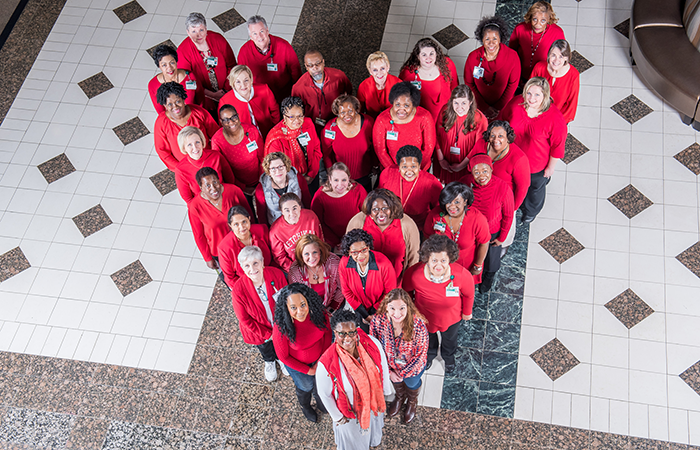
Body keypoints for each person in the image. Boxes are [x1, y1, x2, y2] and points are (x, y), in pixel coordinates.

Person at [317, 309, 392, 450]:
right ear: (335, 333)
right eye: (342, 334)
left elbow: (382, 366)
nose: (348, 338)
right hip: (352, 412)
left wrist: (385, 391)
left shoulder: (372, 343)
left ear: (356, 330)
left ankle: (373, 441)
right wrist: (337, 417)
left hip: (373, 403)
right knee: (354, 443)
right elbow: (324, 394)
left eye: (351, 332)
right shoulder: (326, 363)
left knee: (373, 429)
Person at [402, 235, 474, 373]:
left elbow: (469, 294)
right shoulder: (414, 273)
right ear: (427, 259)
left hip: (452, 318)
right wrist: (410, 310)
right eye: (434, 260)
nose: (438, 265)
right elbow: (406, 292)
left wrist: (467, 312)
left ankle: (448, 357)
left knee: (450, 340)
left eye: (443, 260)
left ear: (450, 260)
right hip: (425, 317)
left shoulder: (461, 274)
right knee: (428, 338)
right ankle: (430, 355)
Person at [499, 77, 566, 223]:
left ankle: (531, 211)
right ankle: (513, 204)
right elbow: (502, 120)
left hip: (536, 166)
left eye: (537, 95)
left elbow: (558, 146)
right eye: (529, 93)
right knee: (514, 183)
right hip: (512, 158)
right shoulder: (516, 103)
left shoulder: (555, 117)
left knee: (534, 190)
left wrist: (550, 168)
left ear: (545, 96)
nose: (531, 98)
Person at [466, 120, 530, 250]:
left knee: (504, 228)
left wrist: (511, 208)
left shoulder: (519, 159)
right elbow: (472, 165)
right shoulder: (481, 145)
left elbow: (523, 188)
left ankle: (503, 246)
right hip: (481, 193)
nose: (496, 139)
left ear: (508, 137)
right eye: (492, 135)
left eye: (501, 136)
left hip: (504, 199)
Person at [273, 283, 332, 422]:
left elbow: (328, 334)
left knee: (320, 384)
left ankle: (321, 402)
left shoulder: (319, 313)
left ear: (309, 302)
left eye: (303, 305)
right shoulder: (281, 327)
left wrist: (320, 360)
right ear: (287, 308)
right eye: (293, 307)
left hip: (320, 359)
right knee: (306, 386)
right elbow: (283, 357)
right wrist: (308, 370)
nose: (300, 311)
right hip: (298, 366)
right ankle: (305, 405)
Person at [369, 288, 428, 424]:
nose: (397, 313)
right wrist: (388, 372)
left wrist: (402, 373)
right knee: (396, 383)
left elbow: (420, 354)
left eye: (402, 308)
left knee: (411, 383)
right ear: (386, 307)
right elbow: (374, 348)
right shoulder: (378, 321)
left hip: (412, 368)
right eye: (392, 308)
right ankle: (400, 397)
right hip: (390, 367)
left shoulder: (418, 325)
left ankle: (412, 402)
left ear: (408, 307)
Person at [231, 245, 288, 381]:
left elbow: (286, 299)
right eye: (247, 266)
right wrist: (268, 334)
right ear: (242, 268)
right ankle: (269, 361)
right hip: (258, 331)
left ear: (262, 262)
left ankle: (282, 358)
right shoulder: (238, 290)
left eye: (255, 263)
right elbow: (244, 320)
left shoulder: (276, 274)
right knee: (265, 347)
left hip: (279, 323)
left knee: (282, 343)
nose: (252, 269)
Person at [463, 154, 514, 292]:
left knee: (491, 262)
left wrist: (501, 238)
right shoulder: (465, 183)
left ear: (491, 170)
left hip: (492, 234)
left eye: (485, 171)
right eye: (476, 172)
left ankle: (488, 279)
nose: (481, 175)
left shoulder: (503, 188)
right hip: (471, 231)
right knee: (473, 259)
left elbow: (508, 215)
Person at [346, 189, 420, 281]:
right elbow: (349, 254)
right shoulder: (358, 221)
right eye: (375, 209)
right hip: (365, 283)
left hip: (396, 282)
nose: (380, 213)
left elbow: (413, 258)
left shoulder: (406, 224)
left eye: (385, 208)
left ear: (392, 208)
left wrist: (407, 283)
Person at [424, 182, 490, 284]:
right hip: (441, 265)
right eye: (448, 202)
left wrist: (478, 266)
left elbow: (484, 243)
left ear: (465, 202)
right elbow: (427, 237)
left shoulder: (477, 218)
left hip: (466, 265)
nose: (452, 206)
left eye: (457, 202)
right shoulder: (435, 215)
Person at [188, 168, 251, 270]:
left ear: (219, 180)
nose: (213, 188)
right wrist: (207, 258)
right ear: (201, 188)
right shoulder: (195, 206)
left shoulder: (234, 191)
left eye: (215, 182)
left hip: (243, 243)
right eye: (207, 186)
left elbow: (249, 216)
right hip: (220, 252)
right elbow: (198, 235)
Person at [338, 229, 398, 333]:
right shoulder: (344, 263)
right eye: (355, 252)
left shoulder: (384, 264)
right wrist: (365, 315)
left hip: (383, 308)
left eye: (364, 250)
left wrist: (373, 312)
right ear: (349, 252)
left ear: (369, 247)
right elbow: (347, 292)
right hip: (359, 310)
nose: (360, 256)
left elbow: (390, 293)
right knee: (365, 337)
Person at [463, 16, 520, 120]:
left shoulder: (512, 56)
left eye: (495, 38)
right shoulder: (473, 57)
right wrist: (484, 107)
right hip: (479, 105)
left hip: (503, 106)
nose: (491, 43)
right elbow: (469, 83)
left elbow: (513, 85)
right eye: (487, 39)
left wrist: (497, 108)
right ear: (482, 40)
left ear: (500, 39)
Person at [153, 82, 220, 170]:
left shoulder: (199, 112)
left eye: (178, 101)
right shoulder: (161, 122)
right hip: (184, 168)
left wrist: (214, 156)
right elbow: (162, 151)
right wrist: (181, 168)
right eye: (170, 104)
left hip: (208, 161)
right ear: (165, 105)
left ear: (183, 99)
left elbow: (216, 136)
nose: (175, 106)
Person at [177, 12, 236, 111]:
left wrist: (226, 89)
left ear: (206, 29)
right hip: (204, 96)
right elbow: (187, 80)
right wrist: (212, 95)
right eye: (193, 31)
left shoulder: (218, 39)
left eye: (201, 30)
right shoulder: (183, 51)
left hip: (227, 89)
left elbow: (232, 65)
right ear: (188, 32)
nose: (198, 35)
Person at [373, 81, 436, 171]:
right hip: (391, 169)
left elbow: (428, 149)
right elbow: (381, 152)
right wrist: (396, 171)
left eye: (406, 105)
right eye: (397, 105)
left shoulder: (424, 117)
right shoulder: (382, 120)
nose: (401, 110)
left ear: (413, 105)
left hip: (419, 169)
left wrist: (414, 170)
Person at [238, 15, 301, 104]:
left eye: (261, 31)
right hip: (259, 98)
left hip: (284, 95)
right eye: (254, 33)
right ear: (250, 36)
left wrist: (296, 95)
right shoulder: (244, 52)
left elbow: (295, 72)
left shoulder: (284, 46)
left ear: (267, 30)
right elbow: (241, 77)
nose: (259, 36)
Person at [264, 97, 323, 193]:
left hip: (312, 176)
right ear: (284, 117)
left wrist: (311, 175)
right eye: (291, 117)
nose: (297, 120)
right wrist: (298, 181)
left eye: (300, 115)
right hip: (290, 183)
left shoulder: (308, 124)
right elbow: (277, 168)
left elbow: (316, 149)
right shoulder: (276, 139)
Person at [378, 145, 442, 231]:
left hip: (418, 228)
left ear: (419, 166)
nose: (409, 171)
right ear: (398, 166)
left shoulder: (431, 182)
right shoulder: (387, 174)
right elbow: (379, 199)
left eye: (413, 166)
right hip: (391, 226)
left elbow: (438, 210)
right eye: (404, 167)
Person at [321, 95, 376, 193]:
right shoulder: (330, 128)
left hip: (364, 177)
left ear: (356, 109)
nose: (347, 115)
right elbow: (326, 154)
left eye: (350, 111)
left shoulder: (368, 123)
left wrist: (375, 166)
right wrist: (331, 175)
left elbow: (375, 148)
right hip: (340, 179)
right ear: (337, 113)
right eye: (342, 112)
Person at [434, 85, 488, 184]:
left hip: (465, 163)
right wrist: (441, 160)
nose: (459, 108)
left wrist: (461, 165)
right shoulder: (444, 111)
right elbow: (437, 135)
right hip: (446, 161)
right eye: (456, 103)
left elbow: (478, 147)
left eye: (463, 103)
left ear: (470, 102)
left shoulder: (480, 119)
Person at [399, 38, 459, 122]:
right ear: (418, 56)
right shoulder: (408, 74)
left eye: (431, 54)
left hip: (447, 116)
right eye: (424, 55)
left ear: (436, 54)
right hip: (422, 119)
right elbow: (401, 98)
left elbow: (455, 87)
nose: (428, 58)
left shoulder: (447, 65)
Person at [292, 49, 353, 131]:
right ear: (306, 67)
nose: (315, 68)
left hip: (339, 122)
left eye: (318, 63)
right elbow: (297, 110)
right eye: (310, 65)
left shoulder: (339, 77)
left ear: (323, 62)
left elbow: (349, 94)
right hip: (314, 125)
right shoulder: (298, 88)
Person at [311, 162, 367, 249]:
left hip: (357, 237)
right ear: (330, 179)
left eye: (344, 180)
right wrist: (335, 242)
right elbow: (318, 223)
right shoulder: (320, 196)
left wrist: (353, 239)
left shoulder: (358, 190)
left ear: (348, 178)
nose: (340, 185)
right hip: (331, 241)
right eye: (336, 180)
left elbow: (365, 216)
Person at [211, 105, 264, 196]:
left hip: (260, 178)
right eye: (226, 120)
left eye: (233, 117)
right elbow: (224, 169)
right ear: (221, 122)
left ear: (238, 116)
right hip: (237, 185)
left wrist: (262, 179)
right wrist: (243, 188)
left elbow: (263, 156)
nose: (231, 122)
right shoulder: (217, 141)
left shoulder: (251, 130)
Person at [508, 1, 565, 84]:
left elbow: (561, 58)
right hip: (520, 74)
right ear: (530, 17)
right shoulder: (520, 29)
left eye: (543, 20)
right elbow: (512, 52)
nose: (537, 24)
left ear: (549, 19)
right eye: (535, 19)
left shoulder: (557, 33)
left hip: (543, 78)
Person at [174, 126, 235, 203]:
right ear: (184, 148)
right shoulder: (180, 169)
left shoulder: (216, 156)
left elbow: (230, 179)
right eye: (189, 145)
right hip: (203, 205)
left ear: (202, 142)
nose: (195, 148)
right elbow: (188, 199)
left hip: (224, 197)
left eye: (197, 142)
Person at [218, 205, 273, 288]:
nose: (242, 227)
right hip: (246, 284)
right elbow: (230, 278)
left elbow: (273, 254)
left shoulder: (262, 230)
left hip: (269, 273)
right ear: (230, 225)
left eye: (244, 222)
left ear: (249, 219)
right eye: (236, 224)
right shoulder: (224, 248)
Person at [218, 65, 280, 138]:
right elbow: (225, 126)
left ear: (251, 80)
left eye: (246, 80)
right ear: (233, 83)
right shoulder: (225, 101)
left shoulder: (264, 90)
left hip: (268, 133)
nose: (243, 85)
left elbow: (275, 111)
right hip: (243, 139)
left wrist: (273, 130)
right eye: (238, 82)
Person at [269, 193, 324, 272]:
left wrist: (319, 262)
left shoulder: (311, 216)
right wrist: (297, 271)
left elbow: (320, 241)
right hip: (295, 267)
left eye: (294, 208)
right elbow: (280, 257)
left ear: (300, 207)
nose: (292, 213)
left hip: (316, 260)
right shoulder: (275, 231)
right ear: (282, 211)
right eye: (287, 210)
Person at [289, 234, 344, 311]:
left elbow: (342, 288)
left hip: (334, 307)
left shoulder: (333, 262)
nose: (311, 258)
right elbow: (297, 297)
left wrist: (332, 309)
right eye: (306, 254)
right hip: (308, 310)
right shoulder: (295, 271)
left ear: (320, 252)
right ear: (301, 255)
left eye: (314, 252)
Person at [254, 152, 311, 226]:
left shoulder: (298, 178)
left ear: (286, 167)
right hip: (277, 226)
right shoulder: (261, 188)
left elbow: (307, 201)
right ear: (269, 171)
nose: (277, 171)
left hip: (300, 221)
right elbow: (261, 214)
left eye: (280, 166)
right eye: (273, 168)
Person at [531, 39, 580, 123]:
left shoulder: (573, 75)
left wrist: (555, 122)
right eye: (553, 55)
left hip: (558, 120)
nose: (556, 60)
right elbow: (529, 93)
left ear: (567, 58)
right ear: (549, 55)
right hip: (536, 115)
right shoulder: (539, 67)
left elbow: (571, 105)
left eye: (561, 56)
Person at [148, 44, 203, 113]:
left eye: (172, 63)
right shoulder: (153, 85)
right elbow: (161, 112)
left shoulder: (190, 77)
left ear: (176, 61)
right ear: (159, 66)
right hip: (173, 120)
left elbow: (201, 99)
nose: (169, 68)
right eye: (164, 65)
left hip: (194, 114)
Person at [357, 51, 401, 118]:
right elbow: (360, 111)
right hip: (372, 121)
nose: (379, 73)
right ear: (370, 71)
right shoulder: (363, 86)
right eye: (375, 70)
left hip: (393, 120)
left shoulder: (398, 84)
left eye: (382, 68)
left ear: (388, 67)